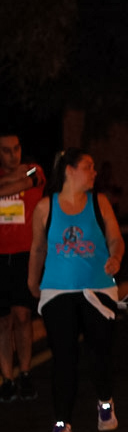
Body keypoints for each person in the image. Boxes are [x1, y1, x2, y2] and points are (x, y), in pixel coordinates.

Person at [27, 148, 124, 432]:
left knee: (99, 350)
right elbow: (39, 248)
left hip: (97, 288)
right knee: (64, 357)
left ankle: (105, 402)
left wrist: (116, 258)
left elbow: (115, 238)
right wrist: (33, 282)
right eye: (88, 167)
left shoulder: (100, 202)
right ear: (69, 170)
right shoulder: (46, 207)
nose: (94, 173)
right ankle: (61, 426)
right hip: (58, 290)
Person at [1, 133, 45, 402]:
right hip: (0, 256)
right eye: (5, 151)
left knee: (23, 316)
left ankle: (26, 373)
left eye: (16, 149)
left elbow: (33, 179)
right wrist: (18, 182)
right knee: (3, 321)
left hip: (24, 255)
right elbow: (19, 184)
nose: (13, 155)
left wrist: (16, 181)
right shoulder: (25, 174)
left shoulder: (35, 169)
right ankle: (7, 379)